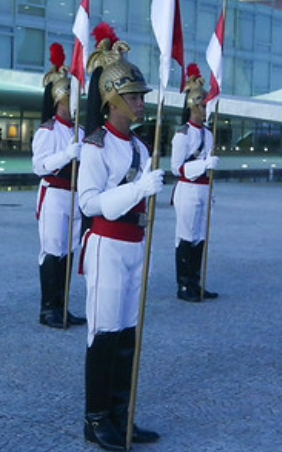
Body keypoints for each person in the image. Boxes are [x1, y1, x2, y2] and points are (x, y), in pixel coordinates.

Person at [78, 25, 163, 450]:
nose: (141, 102)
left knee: (128, 331)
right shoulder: (95, 146)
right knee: (105, 331)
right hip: (107, 245)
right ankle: (96, 418)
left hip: (134, 243)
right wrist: (137, 189)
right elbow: (89, 203)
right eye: (133, 96)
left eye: (142, 96)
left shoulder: (142, 147)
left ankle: (120, 414)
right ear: (112, 99)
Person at [31, 42, 86, 329]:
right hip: (54, 193)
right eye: (69, 99)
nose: (74, 104)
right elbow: (39, 166)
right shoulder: (48, 130)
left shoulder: (81, 131)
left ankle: (63, 306)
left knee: (69, 250)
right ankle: (48, 308)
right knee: (53, 249)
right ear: (59, 100)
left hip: (75, 194)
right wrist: (66, 155)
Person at [169, 63, 220, 302]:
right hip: (188, 188)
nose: (206, 109)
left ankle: (196, 282)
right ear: (193, 105)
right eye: (203, 105)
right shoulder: (182, 135)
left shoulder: (208, 134)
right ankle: (183, 284)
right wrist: (203, 165)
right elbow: (176, 168)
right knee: (186, 235)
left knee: (200, 235)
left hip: (203, 189)